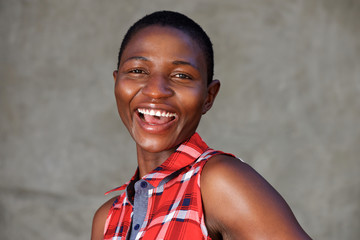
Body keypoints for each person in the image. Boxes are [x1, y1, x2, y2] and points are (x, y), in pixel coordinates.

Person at [91, 10, 311, 240]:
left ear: (208, 96)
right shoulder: (107, 219)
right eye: (137, 71)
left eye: (182, 76)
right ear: (117, 83)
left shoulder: (219, 182)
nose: (156, 90)